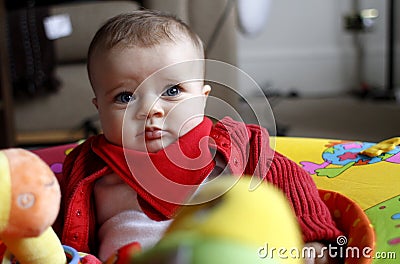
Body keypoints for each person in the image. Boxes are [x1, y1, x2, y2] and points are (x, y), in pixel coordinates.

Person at [54, 9, 344, 263]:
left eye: (172, 91)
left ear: (203, 98)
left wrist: (312, 236)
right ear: (100, 109)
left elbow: (289, 181)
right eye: (126, 96)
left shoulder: (235, 145)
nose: (151, 110)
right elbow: (54, 225)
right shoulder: (87, 167)